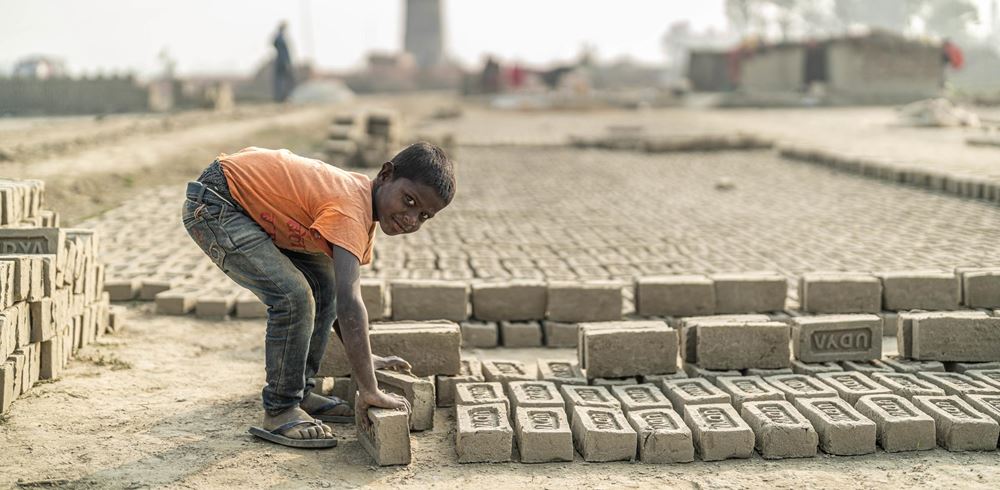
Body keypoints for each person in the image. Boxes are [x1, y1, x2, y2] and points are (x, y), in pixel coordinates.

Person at [181, 142, 455, 448]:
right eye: (409, 200)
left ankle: (299, 392)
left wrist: (366, 359)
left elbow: (337, 298)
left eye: (424, 215)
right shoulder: (350, 210)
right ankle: (281, 409)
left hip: (245, 202)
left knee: (325, 286)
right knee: (293, 298)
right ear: (385, 174)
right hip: (219, 204)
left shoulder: (359, 208)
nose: (411, 218)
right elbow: (350, 303)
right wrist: (370, 389)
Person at [273, 21, 295, 102]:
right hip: (282, 62)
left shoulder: (279, 38)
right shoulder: (280, 38)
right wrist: (286, 62)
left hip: (281, 61)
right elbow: (283, 52)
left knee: (281, 80)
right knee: (283, 80)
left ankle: (282, 96)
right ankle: (282, 97)